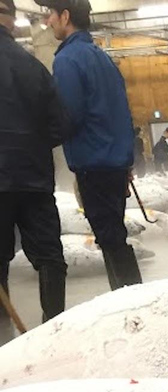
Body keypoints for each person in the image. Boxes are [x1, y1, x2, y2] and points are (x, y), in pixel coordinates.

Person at [36, 0, 141, 291]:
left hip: (94, 164)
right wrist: (126, 160)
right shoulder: (101, 56)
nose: (47, 21)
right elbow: (122, 112)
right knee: (114, 236)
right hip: (114, 164)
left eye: (50, 15)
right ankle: (131, 298)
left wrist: (38, 140)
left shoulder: (68, 59)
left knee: (110, 239)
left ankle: (130, 302)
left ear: (65, 16)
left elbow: (69, 117)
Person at [0, 0, 68, 344]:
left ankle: (2, 346)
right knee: (50, 257)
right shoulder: (33, 66)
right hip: (35, 180)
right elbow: (59, 126)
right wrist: (33, 147)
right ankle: (54, 338)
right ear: (12, 21)